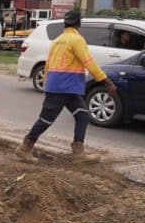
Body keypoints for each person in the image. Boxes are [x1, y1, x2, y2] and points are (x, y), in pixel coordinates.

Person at [14, 10, 118, 164]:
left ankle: (78, 154)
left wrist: (47, 83)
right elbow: (88, 62)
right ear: (79, 23)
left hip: (64, 87)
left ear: (65, 23)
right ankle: (25, 147)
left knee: (82, 115)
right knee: (46, 120)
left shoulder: (58, 40)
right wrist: (106, 81)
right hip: (64, 86)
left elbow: (49, 64)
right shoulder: (77, 39)